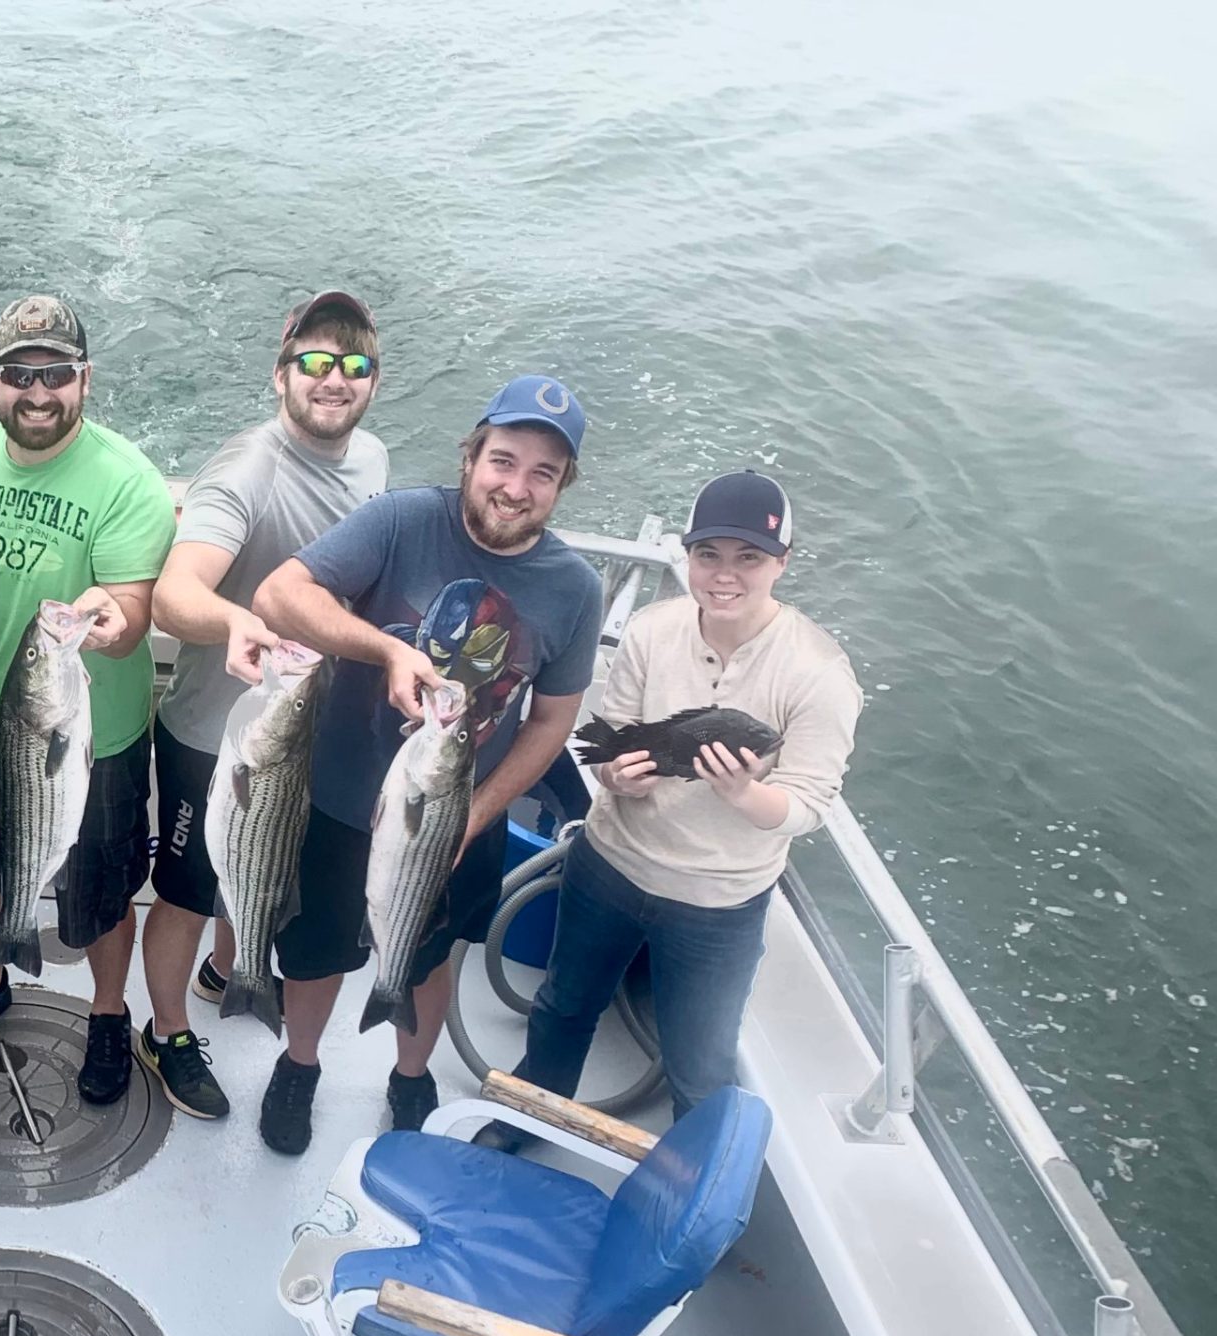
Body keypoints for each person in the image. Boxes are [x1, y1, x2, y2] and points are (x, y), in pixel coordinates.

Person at [251, 376, 603, 1154]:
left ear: (561, 486)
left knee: (428, 953)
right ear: (471, 455)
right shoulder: (401, 519)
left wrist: (478, 816)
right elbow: (281, 594)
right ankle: (299, 1064)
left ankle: (411, 1073)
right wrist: (385, 648)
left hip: (459, 818)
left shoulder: (575, 589)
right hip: (341, 802)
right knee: (315, 952)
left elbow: (551, 722)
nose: (516, 488)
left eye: (542, 474)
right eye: (503, 461)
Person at [499, 471, 860, 1125]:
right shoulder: (650, 630)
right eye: (708, 556)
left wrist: (744, 795)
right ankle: (523, 1121)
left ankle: (690, 1189)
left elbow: (809, 802)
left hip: (718, 905)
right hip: (608, 866)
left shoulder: (819, 674)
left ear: (782, 563)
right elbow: (611, 749)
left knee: (701, 1063)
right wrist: (617, 777)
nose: (725, 576)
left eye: (748, 558)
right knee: (562, 1007)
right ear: (688, 557)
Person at [139, 290, 389, 1120]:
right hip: (215, 737)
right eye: (315, 361)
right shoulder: (246, 470)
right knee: (186, 889)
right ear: (280, 372)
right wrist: (235, 619)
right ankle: (168, 1030)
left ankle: (229, 972)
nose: (334, 379)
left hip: (307, 730)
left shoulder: (375, 463)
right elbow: (175, 595)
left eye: (354, 365)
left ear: (374, 383)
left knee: (269, 872)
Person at [0, 295, 177, 1105]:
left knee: (101, 888)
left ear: (86, 379)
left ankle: (109, 1013)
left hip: (90, 737)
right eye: (18, 375)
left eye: (57, 375)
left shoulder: (127, 481)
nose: (37, 394)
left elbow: (135, 607)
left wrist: (112, 622)